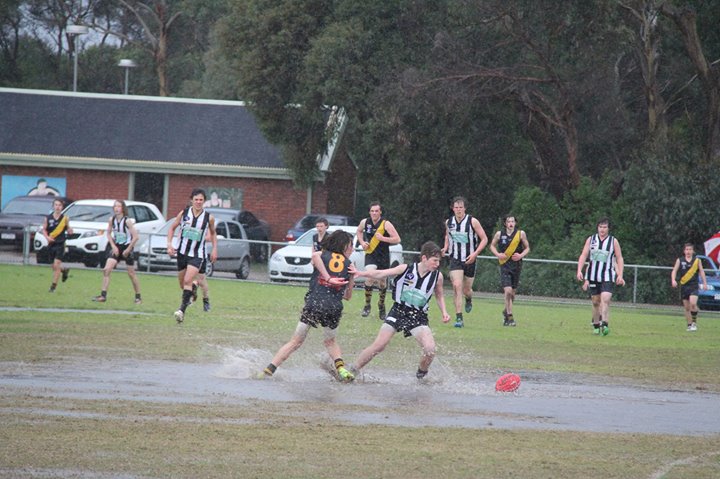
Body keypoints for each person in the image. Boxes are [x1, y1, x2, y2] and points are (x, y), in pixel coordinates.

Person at [260, 230, 356, 381]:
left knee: (295, 342)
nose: (353, 249)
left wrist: (327, 278)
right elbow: (348, 296)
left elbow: (314, 256)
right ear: (343, 245)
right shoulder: (350, 265)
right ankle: (341, 369)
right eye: (351, 245)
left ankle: (268, 370)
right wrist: (347, 279)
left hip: (315, 303)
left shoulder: (322, 255)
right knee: (330, 342)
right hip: (334, 307)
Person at [349, 241, 450, 379]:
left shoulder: (438, 277)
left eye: (439, 261)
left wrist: (444, 312)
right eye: (435, 260)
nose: (437, 264)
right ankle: (352, 369)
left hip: (418, 316)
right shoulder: (405, 269)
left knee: (430, 350)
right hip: (398, 311)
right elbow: (381, 273)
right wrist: (360, 273)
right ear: (424, 258)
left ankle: (420, 375)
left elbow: (439, 295)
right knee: (379, 345)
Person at [166, 189, 218, 323]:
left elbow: (213, 234)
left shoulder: (208, 218)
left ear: (204, 201)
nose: (198, 202)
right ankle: (192, 291)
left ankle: (181, 311)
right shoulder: (184, 213)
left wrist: (214, 249)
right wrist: (169, 244)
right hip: (182, 253)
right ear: (191, 200)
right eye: (196, 199)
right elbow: (172, 228)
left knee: (188, 280)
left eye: (201, 200)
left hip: (197, 254)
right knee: (183, 284)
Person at [441, 196, 488, 328]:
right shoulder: (449, 222)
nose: (458, 210)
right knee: (457, 286)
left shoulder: (473, 221)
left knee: (467, 289)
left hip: (469, 259)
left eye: (461, 207)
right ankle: (459, 318)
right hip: (455, 258)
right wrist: (445, 247)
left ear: (465, 208)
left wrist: (475, 254)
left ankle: (469, 299)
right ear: (453, 209)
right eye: (456, 207)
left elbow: (484, 239)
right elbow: (447, 236)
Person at [576, 218, 625, 335]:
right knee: (595, 302)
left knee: (606, 299)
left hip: (607, 275)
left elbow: (619, 258)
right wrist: (579, 270)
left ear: (608, 229)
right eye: (600, 227)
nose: (602, 229)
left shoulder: (613, 242)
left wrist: (620, 275)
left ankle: (605, 324)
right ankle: (596, 324)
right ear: (597, 228)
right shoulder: (591, 239)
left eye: (605, 227)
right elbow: (583, 255)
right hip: (593, 275)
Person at [356, 202, 401, 320]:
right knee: (370, 277)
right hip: (370, 254)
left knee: (382, 282)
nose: (374, 213)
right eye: (372, 211)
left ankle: (381, 306)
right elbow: (359, 231)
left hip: (383, 256)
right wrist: (362, 242)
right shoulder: (365, 222)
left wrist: (383, 238)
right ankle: (367, 305)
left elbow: (397, 239)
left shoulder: (386, 224)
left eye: (376, 211)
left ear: (380, 212)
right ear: (369, 212)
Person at [92, 200, 142, 304]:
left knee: (131, 274)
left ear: (123, 208)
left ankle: (138, 297)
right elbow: (109, 234)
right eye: (115, 206)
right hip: (117, 247)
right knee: (106, 269)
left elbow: (136, 237)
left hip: (127, 248)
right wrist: (113, 246)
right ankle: (103, 296)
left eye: (119, 206)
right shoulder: (112, 220)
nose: (116, 208)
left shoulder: (127, 221)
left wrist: (128, 249)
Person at [489, 215, 530, 326]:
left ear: (515, 223)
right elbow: (492, 246)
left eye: (512, 221)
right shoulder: (499, 234)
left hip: (516, 266)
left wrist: (520, 255)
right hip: (504, 266)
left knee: (512, 295)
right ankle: (510, 317)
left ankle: (506, 311)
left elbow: (527, 248)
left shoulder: (520, 234)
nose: (511, 223)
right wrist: (498, 254)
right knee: (507, 291)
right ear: (505, 223)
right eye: (508, 221)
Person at [671, 243, 707, 332]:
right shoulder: (680, 260)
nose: (688, 251)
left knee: (693, 303)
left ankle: (694, 323)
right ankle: (689, 325)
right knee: (687, 308)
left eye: (690, 249)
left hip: (694, 286)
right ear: (684, 251)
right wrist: (673, 280)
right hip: (684, 286)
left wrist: (704, 283)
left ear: (693, 251)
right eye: (687, 249)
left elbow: (702, 272)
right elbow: (674, 271)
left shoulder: (697, 261)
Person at [41, 198, 72, 292]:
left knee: (56, 264)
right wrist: (47, 237)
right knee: (54, 266)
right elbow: (44, 229)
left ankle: (53, 287)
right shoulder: (48, 218)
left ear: (62, 207)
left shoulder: (65, 218)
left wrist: (70, 230)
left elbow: (69, 229)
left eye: (59, 205)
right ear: (53, 206)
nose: (58, 207)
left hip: (60, 244)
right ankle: (64, 270)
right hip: (51, 244)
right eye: (56, 205)